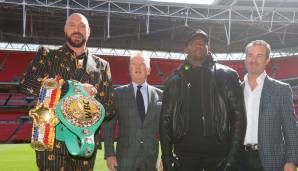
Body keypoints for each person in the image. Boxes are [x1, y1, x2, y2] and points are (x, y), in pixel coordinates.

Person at [20, 13, 115, 171]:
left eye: (82, 26)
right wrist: (71, 88)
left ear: (89, 31)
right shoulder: (47, 55)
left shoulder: (102, 66)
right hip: (50, 143)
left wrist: (92, 99)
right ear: (65, 29)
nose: (77, 29)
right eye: (72, 25)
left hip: (84, 143)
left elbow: (110, 109)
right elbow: (26, 83)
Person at [159, 29, 246, 171]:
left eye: (203, 42)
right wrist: (167, 158)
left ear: (208, 48)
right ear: (186, 49)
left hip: (219, 158)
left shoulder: (227, 75)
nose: (199, 44)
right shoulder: (174, 81)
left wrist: (232, 158)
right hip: (184, 158)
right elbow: (165, 121)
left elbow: (239, 118)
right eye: (194, 42)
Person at [239, 40, 298, 171]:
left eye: (259, 56)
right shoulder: (235, 90)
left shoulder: (281, 89)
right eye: (250, 55)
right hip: (239, 159)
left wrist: (291, 160)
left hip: (271, 160)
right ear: (245, 58)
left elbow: (290, 128)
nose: (253, 60)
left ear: (267, 60)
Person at [103, 52, 163, 171]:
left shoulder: (161, 95)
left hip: (151, 158)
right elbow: (109, 125)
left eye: (142, 64)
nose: (137, 67)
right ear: (129, 70)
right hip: (124, 158)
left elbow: (166, 129)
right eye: (134, 64)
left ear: (149, 70)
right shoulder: (117, 94)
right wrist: (109, 154)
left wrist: (165, 156)